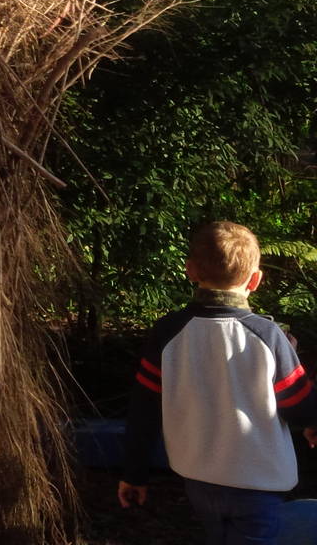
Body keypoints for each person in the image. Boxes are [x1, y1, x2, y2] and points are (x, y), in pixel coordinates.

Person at [121, 220, 317, 545]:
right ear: (255, 279)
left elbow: (143, 410)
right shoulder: (269, 336)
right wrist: (312, 421)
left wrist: (134, 475)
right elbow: (298, 404)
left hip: (198, 480)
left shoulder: (167, 332)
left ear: (190, 271)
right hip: (258, 483)